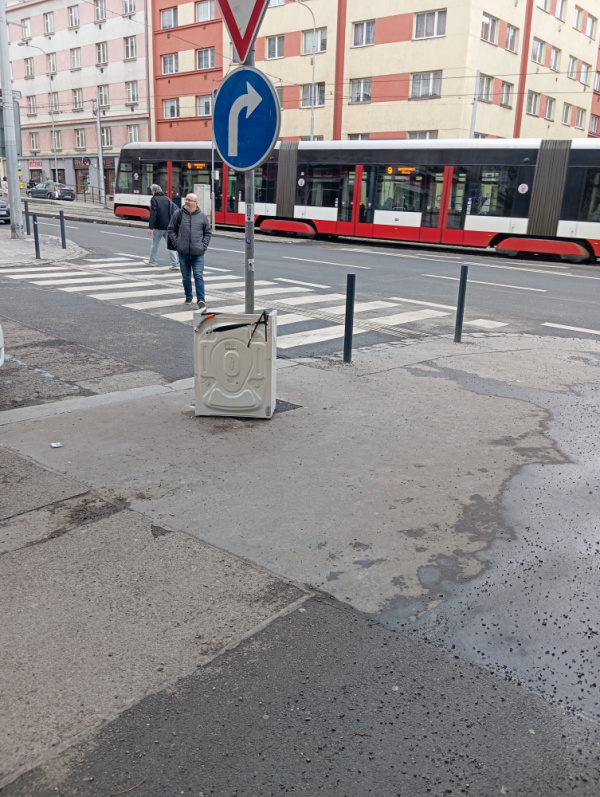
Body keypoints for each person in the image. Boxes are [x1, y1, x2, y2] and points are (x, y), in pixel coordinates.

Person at [167, 193, 212, 309]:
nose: (186, 201)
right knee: (186, 277)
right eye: (186, 199)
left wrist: (203, 246)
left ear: (195, 203)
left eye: (189, 200)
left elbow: (208, 232)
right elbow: (171, 229)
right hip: (183, 252)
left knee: (198, 276)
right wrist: (177, 244)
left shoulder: (202, 216)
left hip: (198, 253)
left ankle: (201, 300)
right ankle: (188, 296)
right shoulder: (178, 214)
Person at [144, 183, 179, 270]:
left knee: (155, 244)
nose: (151, 192)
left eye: (152, 191)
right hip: (169, 225)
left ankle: (152, 261)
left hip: (159, 226)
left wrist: (150, 227)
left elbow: (153, 213)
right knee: (170, 245)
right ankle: (175, 264)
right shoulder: (167, 198)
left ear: (154, 191)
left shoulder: (154, 199)